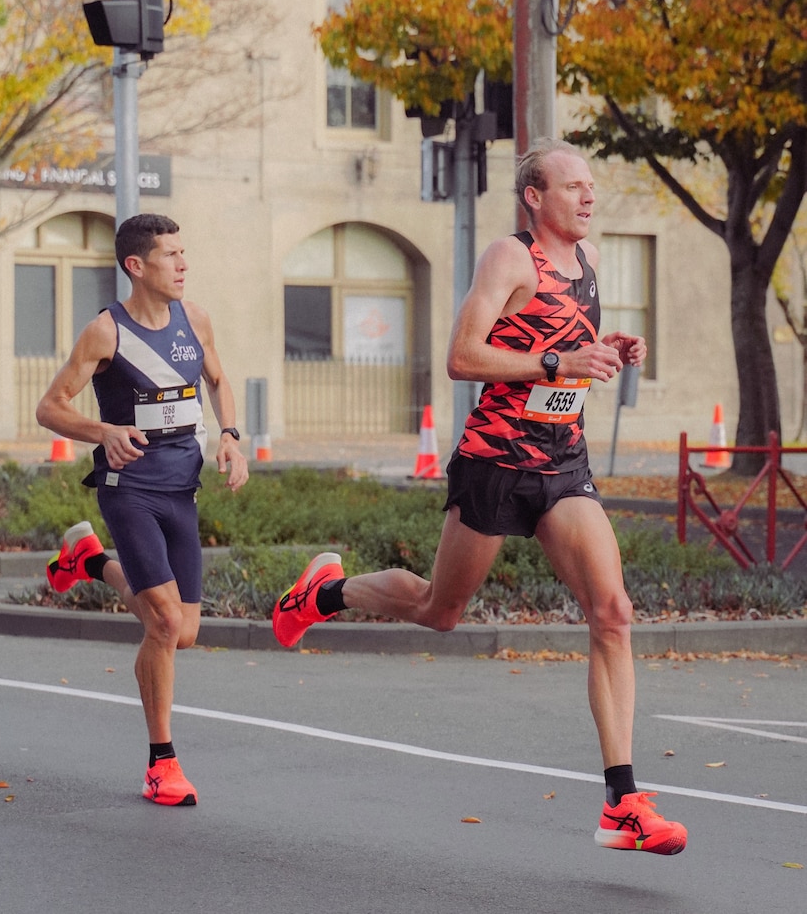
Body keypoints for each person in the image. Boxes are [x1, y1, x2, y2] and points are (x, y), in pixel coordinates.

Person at [273, 138, 688, 855]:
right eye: (573, 186)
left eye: (592, 186)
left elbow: (556, 343)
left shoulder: (588, 262)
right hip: (495, 461)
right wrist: (560, 359)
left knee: (612, 611)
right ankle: (325, 591)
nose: (589, 197)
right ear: (535, 196)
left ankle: (623, 802)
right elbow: (464, 356)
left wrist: (607, 347)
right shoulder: (509, 257)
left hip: (563, 460)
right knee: (441, 609)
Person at [36, 213, 249, 807]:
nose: (183, 265)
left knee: (184, 632)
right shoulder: (106, 332)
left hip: (182, 487)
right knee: (162, 624)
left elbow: (218, 378)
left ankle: (89, 560)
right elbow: (49, 408)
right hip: (128, 488)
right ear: (136, 265)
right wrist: (103, 430)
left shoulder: (195, 319)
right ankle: (162, 763)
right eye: (170, 256)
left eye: (185, 253)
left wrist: (229, 434)